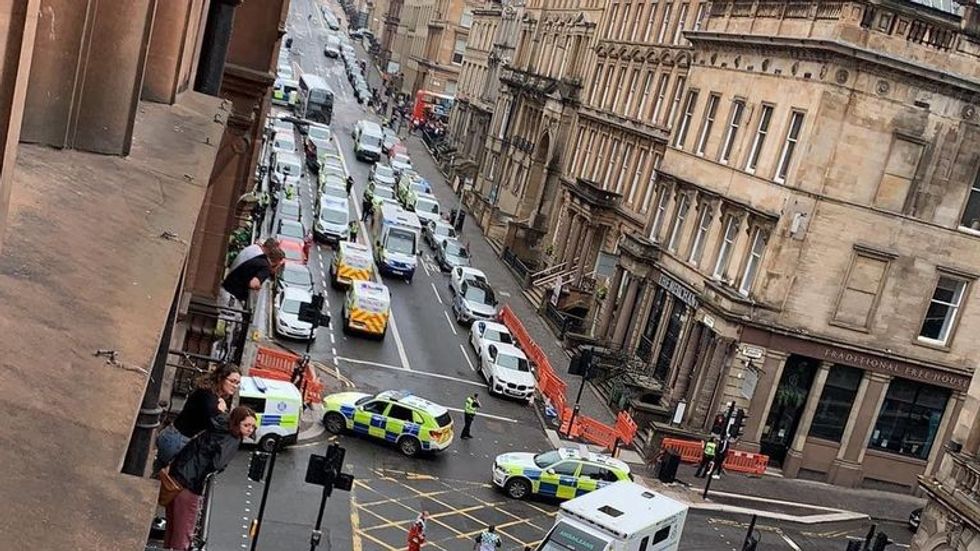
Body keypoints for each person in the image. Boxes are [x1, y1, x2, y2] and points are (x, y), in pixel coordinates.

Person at [162, 406, 257, 551]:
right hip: (191, 483)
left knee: (173, 527)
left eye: (252, 426)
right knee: (183, 534)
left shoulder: (219, 424)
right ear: (236, 423)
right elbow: (218, 463)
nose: (250, 429)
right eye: (246, 425)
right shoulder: (232, 439)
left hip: (177, 473)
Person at [153, 365, 242, 474]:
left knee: (162, 479)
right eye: (232, 381)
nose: (235, 386)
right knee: (169, 482)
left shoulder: (209, 393)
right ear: (220, 378)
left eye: (237, 383)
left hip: (173, 436)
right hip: (178, 442)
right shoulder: (209, 398)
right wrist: (221, 411)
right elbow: (217, 424)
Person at [221, 242, 285, 306]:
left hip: (226, 289)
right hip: (231, 296)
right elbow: (253, 284)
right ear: (277, 261)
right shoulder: (265, 268)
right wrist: (259, 287)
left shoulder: (261, 258)